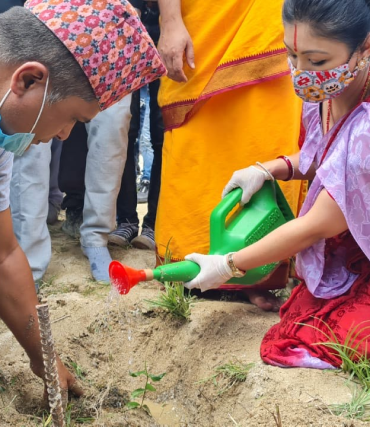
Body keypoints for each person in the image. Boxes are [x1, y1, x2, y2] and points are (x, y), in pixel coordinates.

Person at [184, 0, 370, 369]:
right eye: (291, 55)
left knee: (343, 338)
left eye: (317, 62)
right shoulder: (325, 91)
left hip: (347, 242)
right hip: (349, 252)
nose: (301, 73)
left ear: (365, 47)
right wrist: (270, 169)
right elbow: (327, 156)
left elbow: (319, 224)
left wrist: (229, 264)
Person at [0, 0, 165, 402]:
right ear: (28, 81)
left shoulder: (5, 139)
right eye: (72, 117)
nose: (63, 136)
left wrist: (44, 359)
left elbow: (3, 255)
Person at [156, 0, 304, 310]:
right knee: (195, 135)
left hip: (270, 20)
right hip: (205, 19)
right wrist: (170, 22)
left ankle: (253, 273)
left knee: (264, 127)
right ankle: (189, 259)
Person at [109, 0, 164, 251]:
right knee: (124, 131)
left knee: (162, 132)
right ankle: (126, 220)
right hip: (125, 33)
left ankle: (155, 222)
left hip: (168, 32)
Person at [59, 96, 132, 282]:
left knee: (112, 123)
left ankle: (95, 237)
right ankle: (25, 244)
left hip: (111, 68)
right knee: (35, 116)